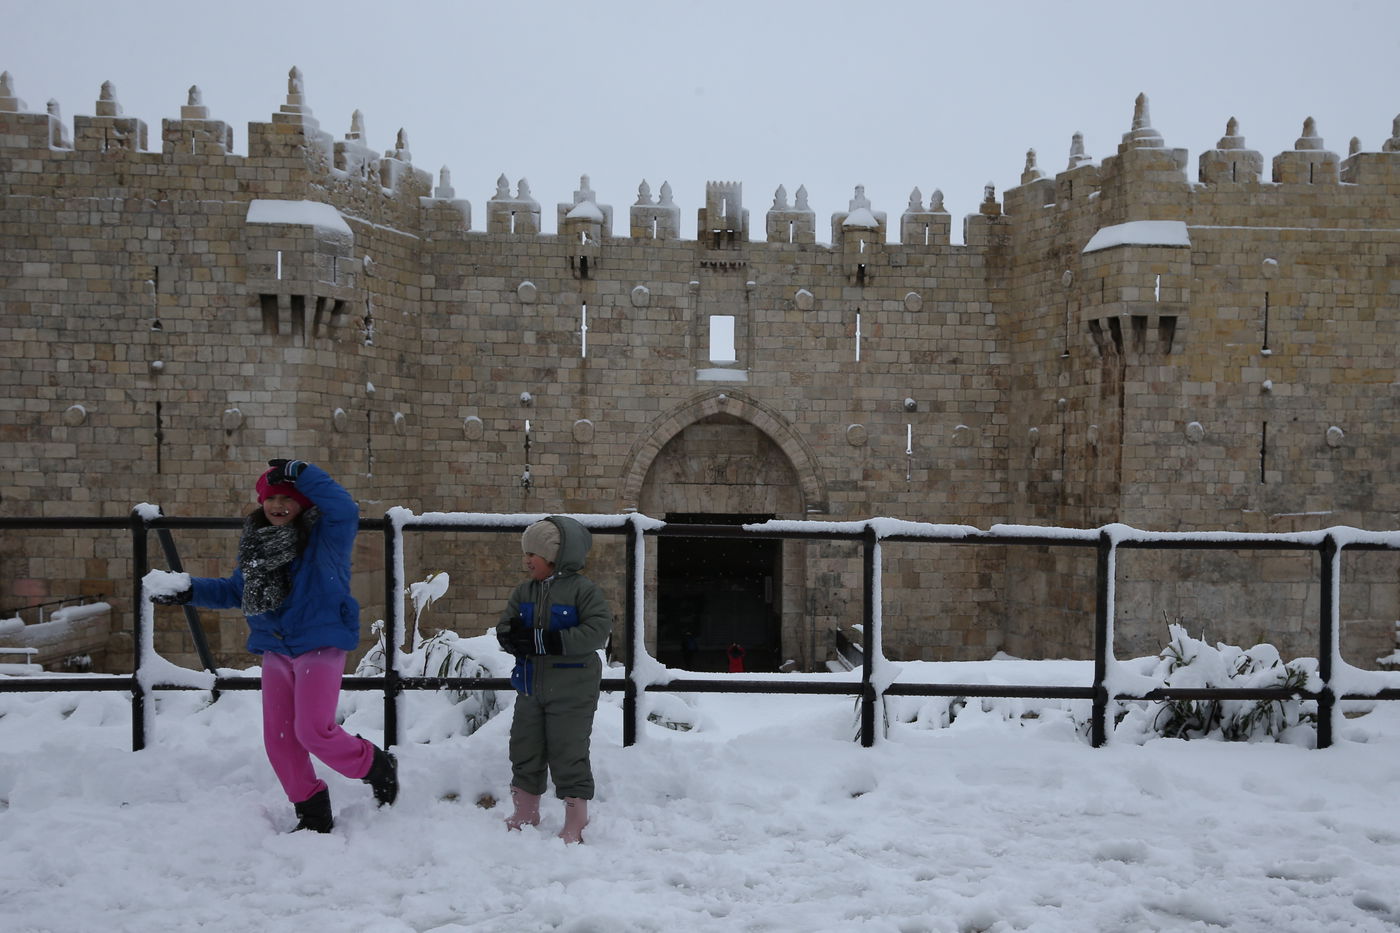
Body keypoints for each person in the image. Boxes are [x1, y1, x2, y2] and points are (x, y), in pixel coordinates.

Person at [150, 458, 397, 833]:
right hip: (276, 648)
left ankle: (377, 766)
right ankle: (312, 813)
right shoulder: (257, 544)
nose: (277, 504)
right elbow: (237, 591)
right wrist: (188, 589)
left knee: (314, 731)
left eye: (287, 497)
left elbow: (345, 507)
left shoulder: (325, 536)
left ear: (303, 503)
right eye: (270, 497)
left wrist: (303, 472)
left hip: (320, 643)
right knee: (280, 740)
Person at [494, 516, 613, 844]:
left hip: (572, 689)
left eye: (533, 554)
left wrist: (549, 641)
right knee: (524, 745)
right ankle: (525, 809)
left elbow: (597, 630)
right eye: (526, 554)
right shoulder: (524, 592)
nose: (527, 561)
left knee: (568, 749)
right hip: (531, 686)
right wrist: (512, 638)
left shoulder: (583, 591)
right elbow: (506, 625)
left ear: (555, 557)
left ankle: (576, 818)